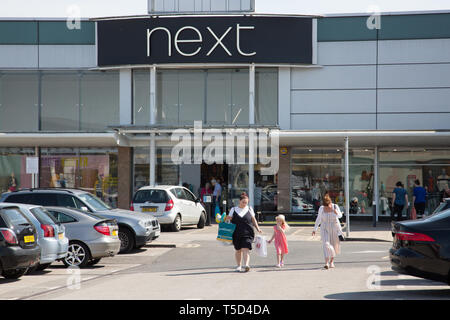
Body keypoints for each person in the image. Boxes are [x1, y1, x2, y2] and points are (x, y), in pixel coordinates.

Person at [225, 192, 262, 272]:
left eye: (246, 202)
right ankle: (239, 266)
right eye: (243, 202)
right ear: (239, 201)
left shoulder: (249, 209)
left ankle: (246, 265)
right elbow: (228, 219)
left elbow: (253, 219)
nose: (245, 204)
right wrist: (226, 218)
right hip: (236, 233)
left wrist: (258, 228)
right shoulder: (233, 209)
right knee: (238, 249)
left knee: (246, 248)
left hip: (248, 232)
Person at [312, 194, 343, 269]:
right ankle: (326, 263)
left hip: (334, 227)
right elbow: (318, 219)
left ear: (330, 202)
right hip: (324, 228)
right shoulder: (322, 208)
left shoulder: (335, 206)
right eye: (325, 205)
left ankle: (331, 261)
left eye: (327, 205)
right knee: (326, 245)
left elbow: (340, 216)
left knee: (333, 245)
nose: (326, 206)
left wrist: (334, 211)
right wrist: (315, 229)